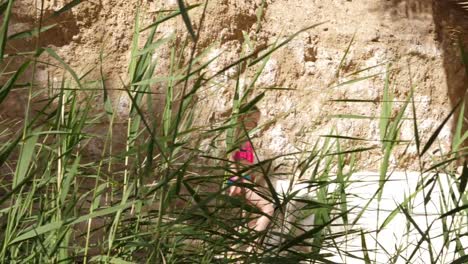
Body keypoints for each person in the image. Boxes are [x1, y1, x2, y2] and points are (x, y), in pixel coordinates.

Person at [225, 107, 274, 252]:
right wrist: (236, 180)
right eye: (252, 121)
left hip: (247, 181)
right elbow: (229, 158)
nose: (254, 125)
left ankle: (236, 250)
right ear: (242, 118)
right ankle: (251, 250)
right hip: (241, 181)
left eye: (256, 122)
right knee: (268, 208)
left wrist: (254, 181)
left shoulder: (246, 139)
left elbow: (247, 164)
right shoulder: (237, 137)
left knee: (251, 217)